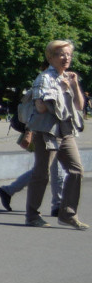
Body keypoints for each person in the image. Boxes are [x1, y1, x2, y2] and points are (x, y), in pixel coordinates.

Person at [24, 39, 86, 229]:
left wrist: (74, 86)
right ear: (50, 58)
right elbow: (41, 107)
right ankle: (32, 216)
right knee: (41, 174)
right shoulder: (44, 78)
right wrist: (60, 89)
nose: (66, 58)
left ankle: (67, 214)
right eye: (61, 54)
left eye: (68, 54)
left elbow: (79, 106)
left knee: (76, 170)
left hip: (65, 131)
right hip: (46, 132)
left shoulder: (68, 77)